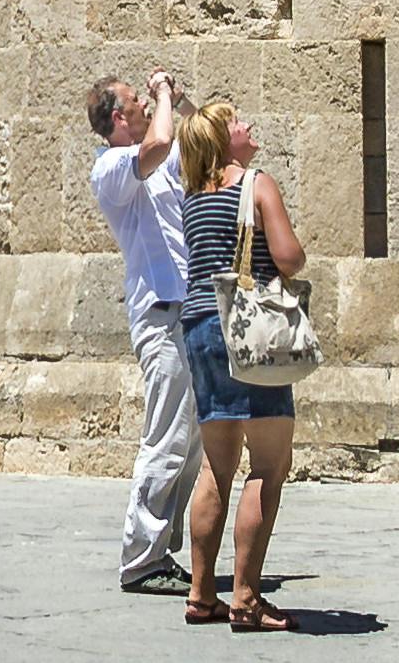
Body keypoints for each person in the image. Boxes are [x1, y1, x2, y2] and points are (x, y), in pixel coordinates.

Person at [173, 98, 307, 631]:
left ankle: (201, 594)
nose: (247, 124)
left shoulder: (191, 197)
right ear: (225, 140)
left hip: (199, 325)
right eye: (236, 120)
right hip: (249, 328)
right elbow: (290, 256)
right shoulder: (256, 184)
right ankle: (247, 598)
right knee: (269, 466)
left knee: (216, 467)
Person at [85, 71, 198, 592]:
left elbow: (192, 136)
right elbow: (161, 142)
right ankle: (140, 556)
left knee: (190, 442)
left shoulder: (159, 157)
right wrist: (161, 95)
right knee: (166, 438)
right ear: (117, 117)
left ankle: (161, 549)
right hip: (158, 314)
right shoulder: (111, 167)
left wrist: (177, 98)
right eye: (137, 102)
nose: (147, 107)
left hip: (187, 311)